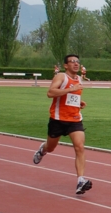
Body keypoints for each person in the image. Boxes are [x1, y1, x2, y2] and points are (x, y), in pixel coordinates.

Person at [33, 54, 92, 195]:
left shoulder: (78, 79)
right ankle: (43, 149)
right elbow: (50, 93)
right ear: (66, 65)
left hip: (75, 119)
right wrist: (70, 90)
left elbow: (71, 97)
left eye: (78, 62)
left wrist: (79, 102)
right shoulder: (61, 77)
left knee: (80, 147)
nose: (76, 64)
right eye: (72, 62)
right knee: (51, 147)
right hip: (58, 119)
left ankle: (80, 180)